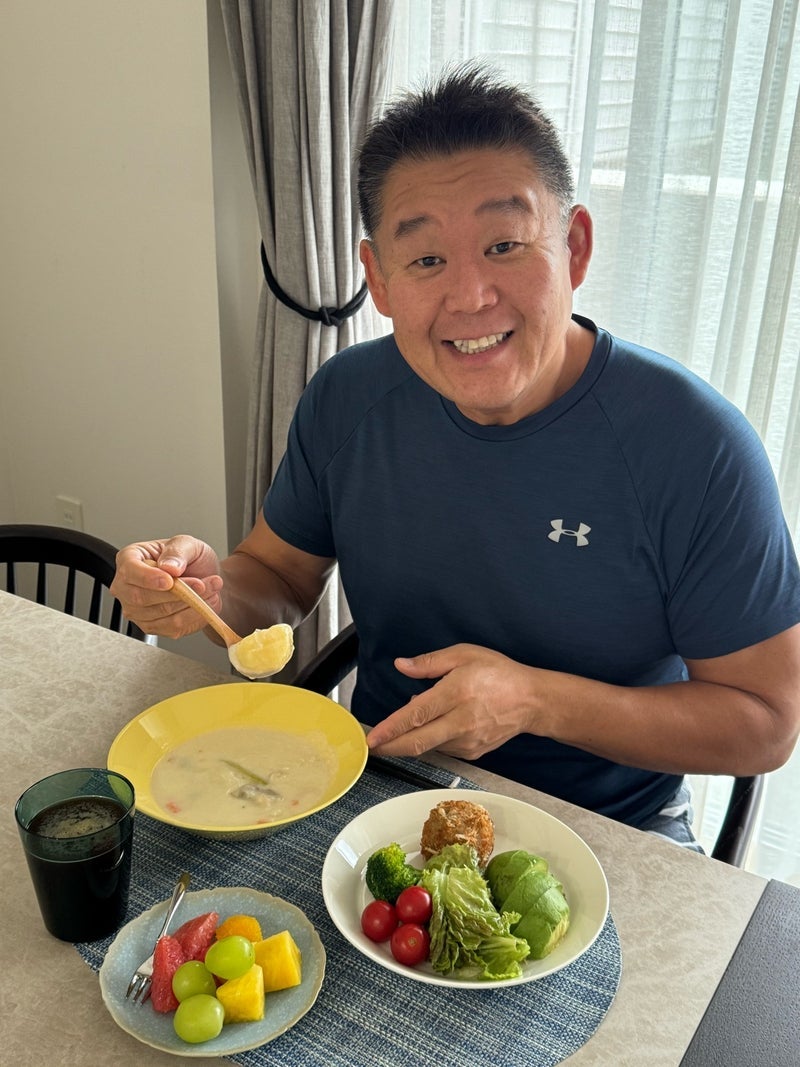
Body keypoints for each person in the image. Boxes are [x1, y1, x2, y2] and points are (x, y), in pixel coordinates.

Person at [111, 63, 800, 848]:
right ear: (378, 279)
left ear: (574, 247)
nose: (470, 296)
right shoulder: (348, 398)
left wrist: (535, 701)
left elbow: (766, 720)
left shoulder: (694, 445)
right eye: (427, 260)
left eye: (505, 245)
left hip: (610, 829)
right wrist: (206, 592)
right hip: (380, 790)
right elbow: (276, 577)